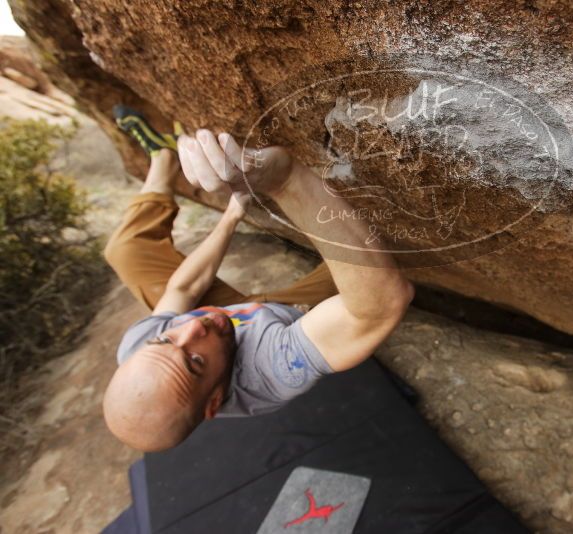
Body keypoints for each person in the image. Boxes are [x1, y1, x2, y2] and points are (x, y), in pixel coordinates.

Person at [102, 107, 414, 452]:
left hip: (228, 316)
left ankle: (163, 157)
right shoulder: (268, 372)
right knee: (372, 260)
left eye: (165, 341)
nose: (191, 328)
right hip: (282, 318)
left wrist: (232, 216)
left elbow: (185, 288)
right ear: (215, 400)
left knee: (123, 251)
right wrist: (286, 182)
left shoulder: (140, 353)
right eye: (194, 362)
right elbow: (379, 308)